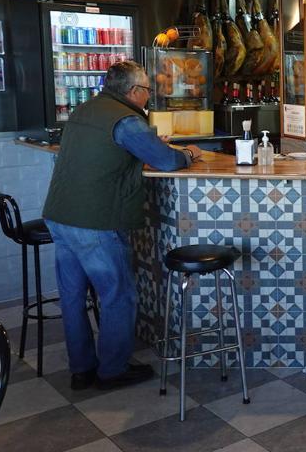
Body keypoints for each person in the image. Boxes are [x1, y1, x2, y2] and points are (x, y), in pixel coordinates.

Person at [43, 61, 201, 391]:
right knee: (118, 295)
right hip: (95, 220)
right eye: (146, 90)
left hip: (59, 215)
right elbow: (168, 161)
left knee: (72, 296)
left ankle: (82, 369)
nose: (148, 96)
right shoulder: (127, 120)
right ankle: (112, 370)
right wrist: (189, 152)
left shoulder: (86, 108)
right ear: (133, 91)